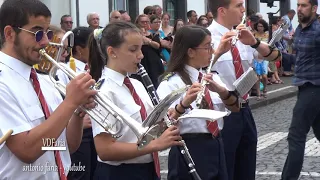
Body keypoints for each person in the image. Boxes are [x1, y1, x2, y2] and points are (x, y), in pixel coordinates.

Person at [0, 0, 97, 179]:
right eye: (37, 33)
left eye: (48, 33)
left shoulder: (45, 80)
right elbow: (27, 150)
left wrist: (77, 112)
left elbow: (66, 144)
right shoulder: (2, 82)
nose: (46, 42)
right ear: (10, 33)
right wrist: (70, 102)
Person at [87, 21, 183, 180]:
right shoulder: (103, 91)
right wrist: (153, 146)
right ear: (112, 52)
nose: (141, 55)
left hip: (147, 169)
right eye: (133, 50)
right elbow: (105, 150)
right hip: (120, 173)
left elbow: (147, 129)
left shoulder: (137, 84)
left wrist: (169, 119)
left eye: (140, 48)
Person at [207, 0, 282, 180]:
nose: (243, 10)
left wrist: (254, 42)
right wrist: (218, 52)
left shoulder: (242, 35)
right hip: (220, 112)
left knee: (246, 165)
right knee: (226, 168)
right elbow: (199, 73)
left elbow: (274, 55)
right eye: (238, 5)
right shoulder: (206, 37)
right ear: (222, 11)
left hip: (244, 108)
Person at [157, 25, 240, 180]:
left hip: (216, 143)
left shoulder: (211, 77)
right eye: (207, 47)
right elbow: (162, 125)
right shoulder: (171, 84)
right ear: (191, 52)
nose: (212, 51)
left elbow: (236, 107)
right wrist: (184, 103)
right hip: (189, 146)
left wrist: (222, 91)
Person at [281, 0, 320, 179]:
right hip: (304, 88)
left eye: (304, 5)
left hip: (314, 88)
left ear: (314, 8)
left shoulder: (318, 30)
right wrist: (262, 48)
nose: (299, 9)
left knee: (296, 137)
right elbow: (298, 59)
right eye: (298, 5)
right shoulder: (299, 29)